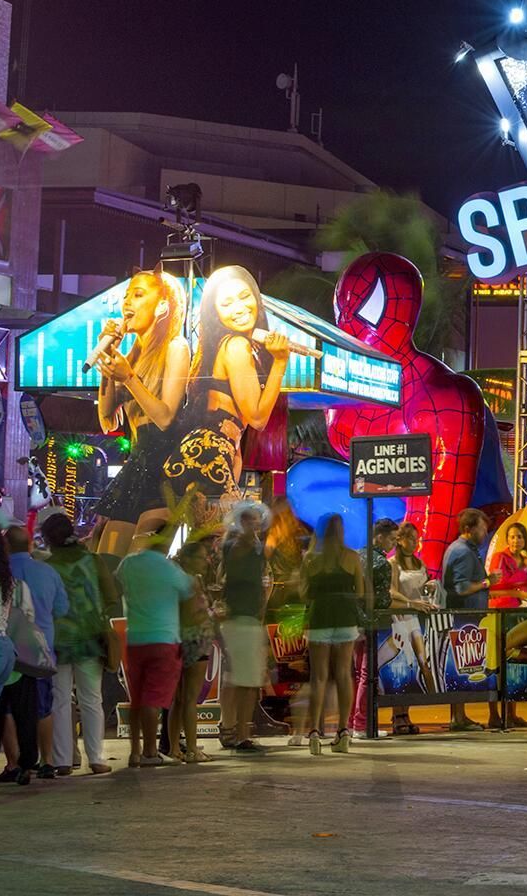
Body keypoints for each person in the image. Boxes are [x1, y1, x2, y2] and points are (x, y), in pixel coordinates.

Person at [170, 266, 292, 506]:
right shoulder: (236, 345)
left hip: (203, 452)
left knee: (207, 538)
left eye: (245, 297)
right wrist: (280, 362)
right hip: (208, 454)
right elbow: (257, 418)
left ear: (256, 299)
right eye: (226, 304)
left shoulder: (220, 347)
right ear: (215, 313)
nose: (239, 308)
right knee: (227, 538)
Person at [93, 270, 191, 556]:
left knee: (139, 565)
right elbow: (106, 420)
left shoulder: (176, 347)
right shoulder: (132, 355)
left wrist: (129, 378)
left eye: (138, 295)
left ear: (162, 305)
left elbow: (164, 417)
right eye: (126, 296)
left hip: (164, 472)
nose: (127, 304)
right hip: (137, 465)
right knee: (104, 560)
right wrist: (108, 360)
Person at [41, 512, 118, 775]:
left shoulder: (48, 566)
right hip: (90, 638)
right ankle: (96, 758)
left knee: (60, 700)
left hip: (58, 641)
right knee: (91, 699)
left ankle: (62, 760)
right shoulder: (93, 561)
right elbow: (111, 596)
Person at [116, 530, 193, 767]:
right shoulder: (171, 570)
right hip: (164, 639)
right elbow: (189, 597)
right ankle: (150, 752)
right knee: (153, 699)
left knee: (137, 699)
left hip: (135, 638)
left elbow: (116, 585)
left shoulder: (128, 563)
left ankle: (135, 752)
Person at [5, 524, 67, 782]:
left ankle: (14, 764)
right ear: (30, 545)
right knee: (42, 707)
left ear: (5, 547)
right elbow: (62, 609)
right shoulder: (47, 572)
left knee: (7, 708)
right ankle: (48, 761)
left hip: (7, 652)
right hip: (40, 654)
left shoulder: (3, 573)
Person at [301, 514, 366, 754]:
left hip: (320, 619)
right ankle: (342, 732)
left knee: (318, 677)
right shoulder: (352, 557)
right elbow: (359, 592)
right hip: (346, 619)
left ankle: (315, 733)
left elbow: (305, 594)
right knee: (343, 674)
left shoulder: (310, 559)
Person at [486, 518, 527, 730]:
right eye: (512, 536)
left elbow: (524, 588)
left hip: (516, 613)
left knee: (510, 665)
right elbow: (498, 586)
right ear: (507, 539)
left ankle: (512, 714)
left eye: (520, 537)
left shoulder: (524, 561)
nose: (516, 540)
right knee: (496, 663)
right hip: (499, 613)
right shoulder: (499, 558)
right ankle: (494, 715)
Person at [217, 499, 270, 752]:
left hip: (243, 618)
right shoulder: (235, 545)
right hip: (240, 619)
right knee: (247, 681)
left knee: (233, 677)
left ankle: (229, 728)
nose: (257, 525)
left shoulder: (254, 547)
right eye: (252, 520)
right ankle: (240, 734)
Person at [0, 520, 40, 785]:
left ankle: (14, 762)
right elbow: (29, 616)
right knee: (24, 711)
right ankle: (25, 763)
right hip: (10, 651)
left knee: (2, 714)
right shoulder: (11, 581)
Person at [442, 508, 492, 732]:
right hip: (464, 618)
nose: (485, 532)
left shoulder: (464, 549)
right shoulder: (462, 552)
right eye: (482, 528)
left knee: (463, 666)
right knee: (461, 666)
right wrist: (486, 583)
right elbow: (461, 588)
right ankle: (458, 717)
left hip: (466, 618)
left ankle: (460, 716)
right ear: (468, 529)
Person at [170, 534, 219, 763]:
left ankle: (174, 747)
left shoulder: (183, 579)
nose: (206, 560)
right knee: (190, 697)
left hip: (180, 638)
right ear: (188, 559)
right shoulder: (188, 581)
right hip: (194, 639)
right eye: (201, 557)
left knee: (179, 699)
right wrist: (211, 614)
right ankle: (191, 747)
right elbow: (191, 614)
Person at [385, 521, 436, 734]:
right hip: (400, 617)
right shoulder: (392, 564)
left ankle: (407, 712)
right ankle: (397, 715)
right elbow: (391, 592)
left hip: (417, 618)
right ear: (400, 539)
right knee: (403, 665)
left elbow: (421, 589)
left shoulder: (419, 563)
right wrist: (411, 602)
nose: (415, 543)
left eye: (417, 539)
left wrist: (429, 588)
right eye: (411, 539)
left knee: (421, 664)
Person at [349, 519, 398, 738]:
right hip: (370, 622)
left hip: (352, 621)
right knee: (368, 674)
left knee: (358, 673)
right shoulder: (381, 563)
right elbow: (382, 600)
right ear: (380, 537)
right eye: (392, 539)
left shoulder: (357, 555)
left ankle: (352, 722)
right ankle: (361, 724)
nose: (393, 545)